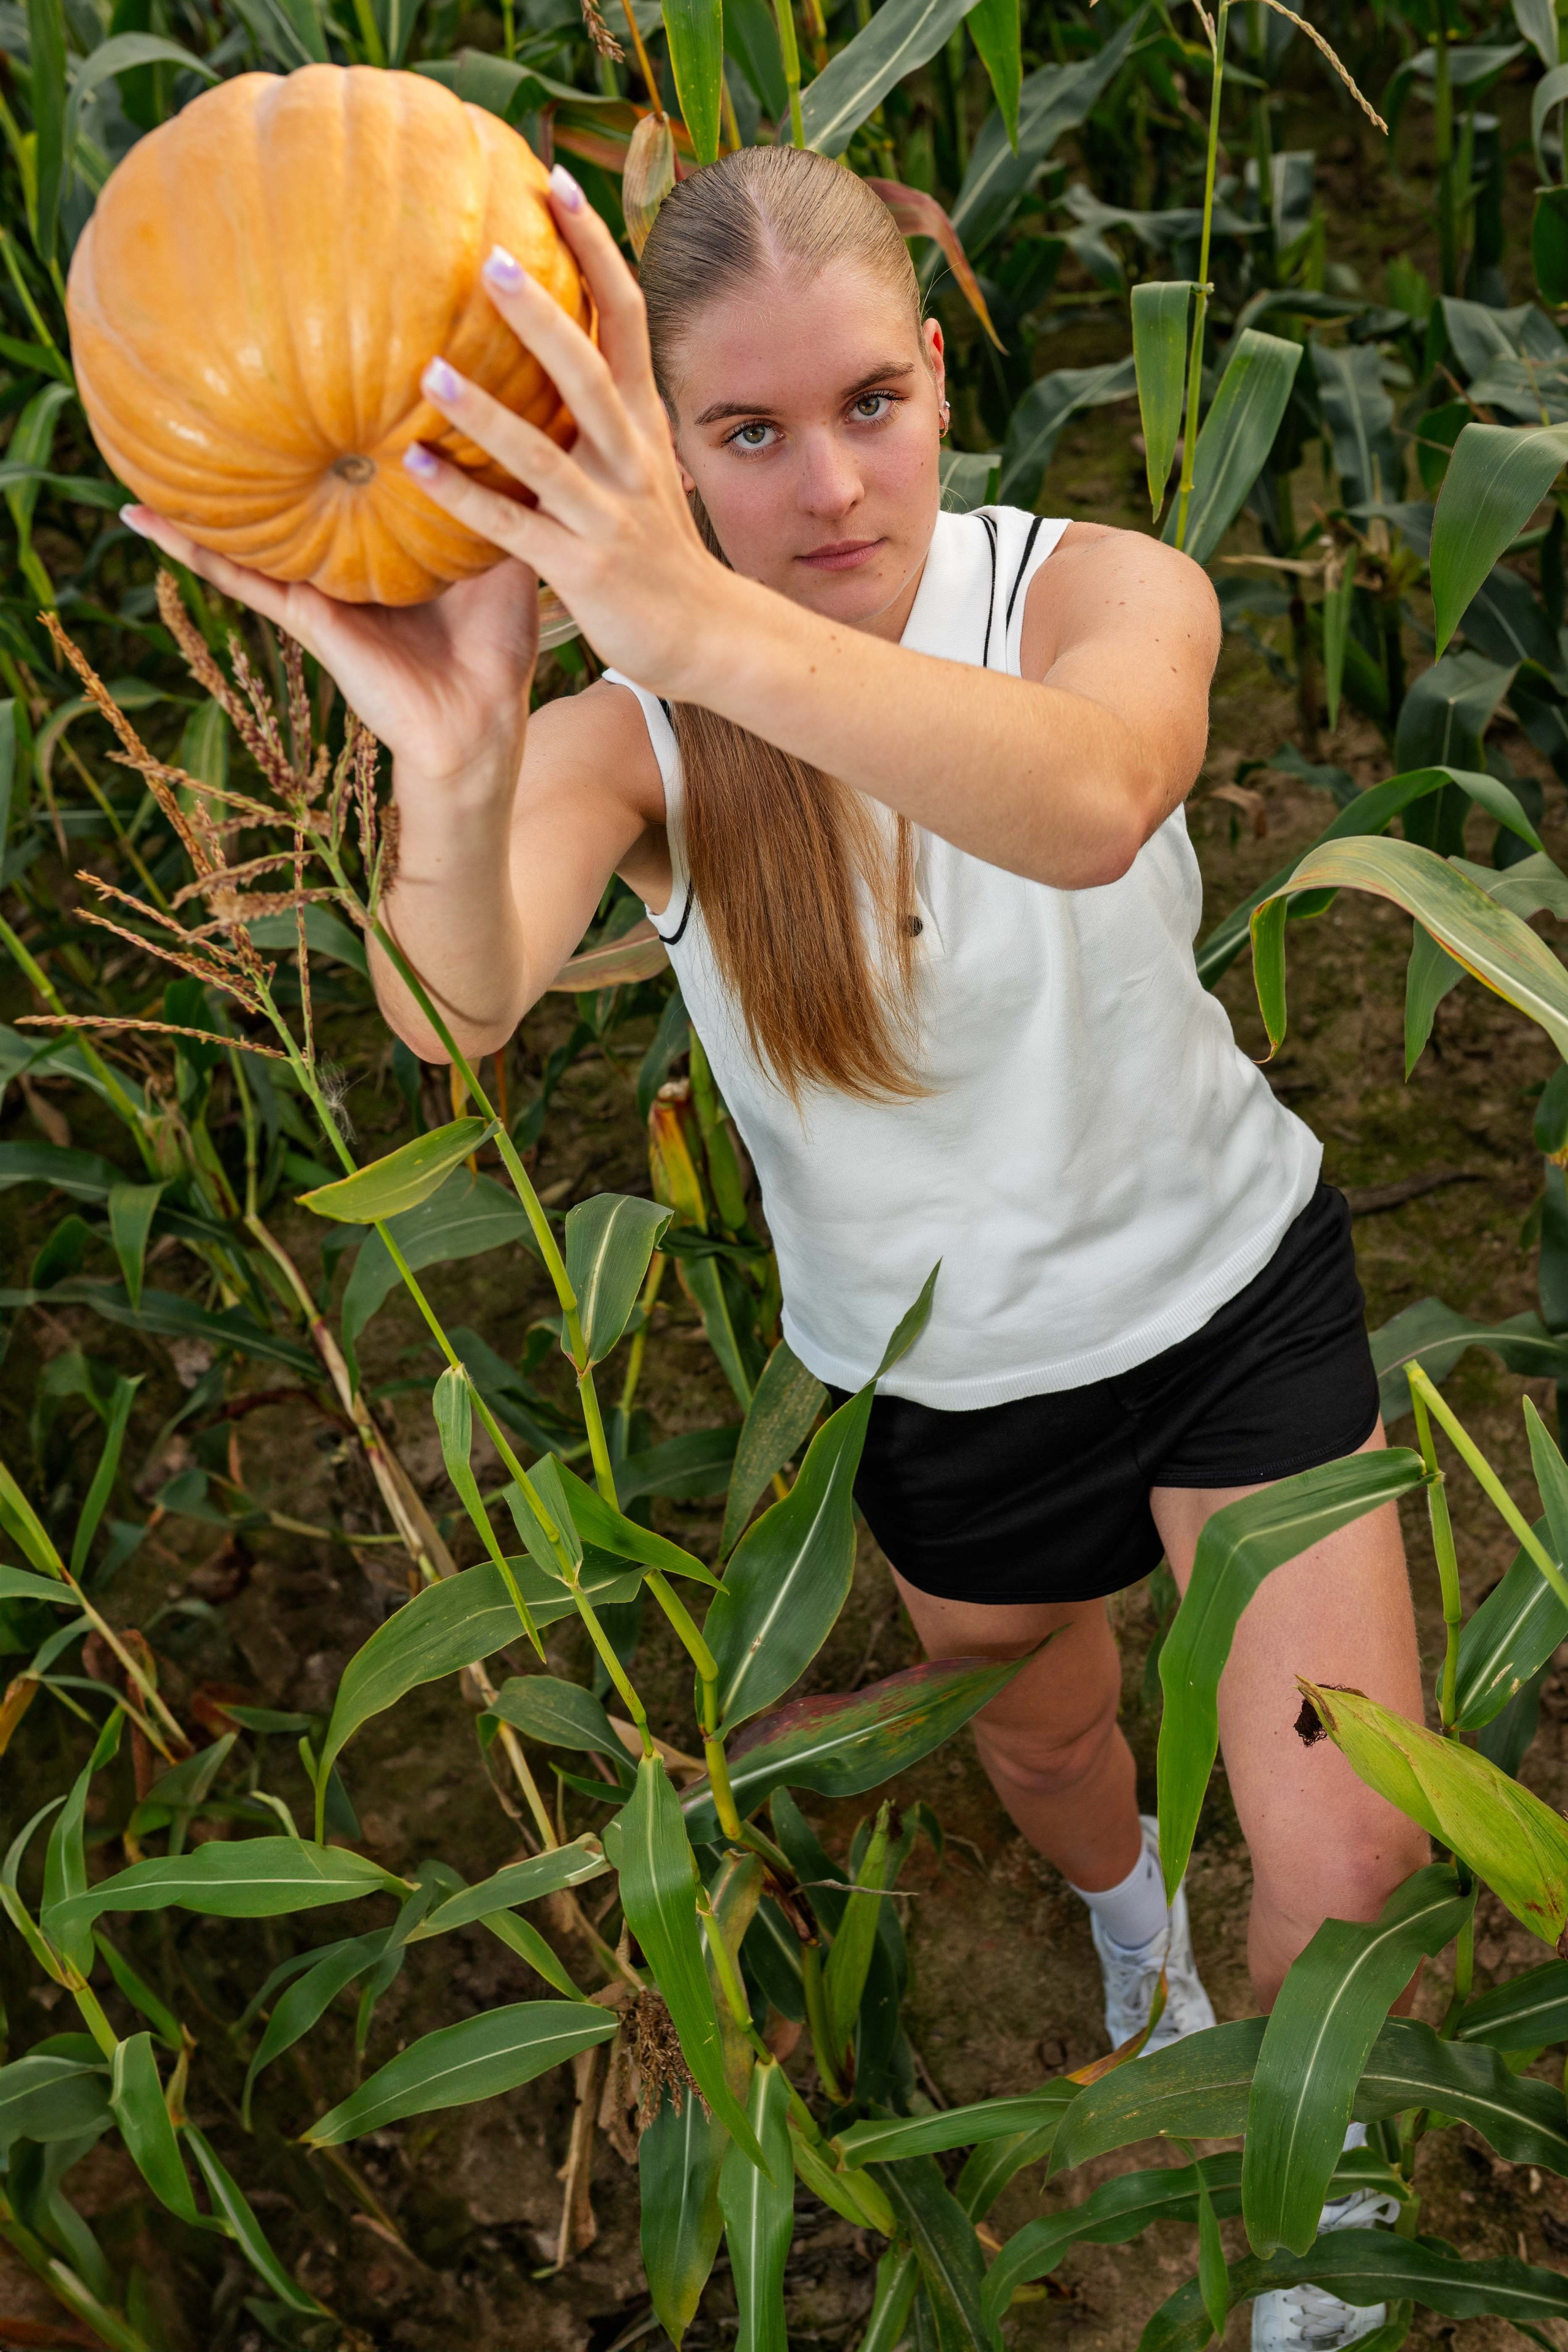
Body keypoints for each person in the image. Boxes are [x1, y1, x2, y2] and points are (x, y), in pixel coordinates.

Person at [123, 142, 1428, 2351]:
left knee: (1361, 1858)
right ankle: (1136, 1940)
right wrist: (449, 765)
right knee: (1048, 1750)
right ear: (659, 442)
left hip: (1231, 1296)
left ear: (939, 376)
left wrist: (689, 611)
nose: (828, 481)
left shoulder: (1090, 588)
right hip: (950, 1380)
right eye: (743, 431)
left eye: (869, 406)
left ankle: (1317, 2192)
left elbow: (1098, 795)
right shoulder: (638, 733)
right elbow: (450, 1005)